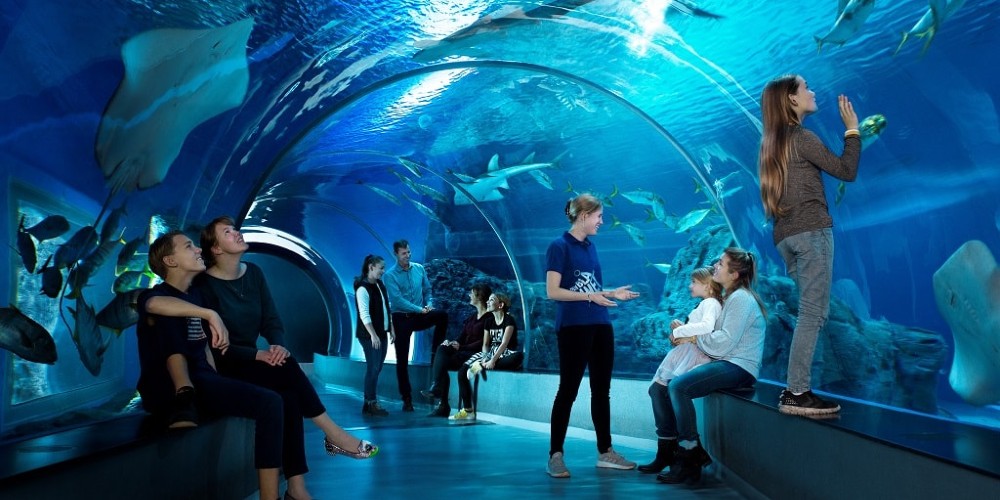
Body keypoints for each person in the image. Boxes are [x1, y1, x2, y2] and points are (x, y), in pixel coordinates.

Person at [152, 216, 378, 500]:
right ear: (216, 250)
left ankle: (296, 488)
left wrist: (278, 345)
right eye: (227, 232)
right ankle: (333, 434)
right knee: (284, 377)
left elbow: (272, 320)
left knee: (289, 392)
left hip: (253, 361)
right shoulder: (202, 289)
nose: (236, 233)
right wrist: (259, 353)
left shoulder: (255, 273)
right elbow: (212, 343)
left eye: (235, 228)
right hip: (229, 362)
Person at [137, 231, 284, 500]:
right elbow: (152, 304)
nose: (197, 250)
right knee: (165, 315)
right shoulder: (156, 294)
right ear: (170, 261)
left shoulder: (197, 296)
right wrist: (210, 314)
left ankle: (271, 495)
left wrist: (219, 377)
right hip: (165, 387)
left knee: (273, 399)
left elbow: (204, 344)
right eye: (189, 246)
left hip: (203, 380)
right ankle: (184, 394)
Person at [759, 74, 860, 415]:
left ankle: (798, 388)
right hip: (811, 232)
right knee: (812, 313)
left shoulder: (771, 144)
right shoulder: (801, 137)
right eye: (805, 88)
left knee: (814, 313)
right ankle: (796, 392)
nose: (812, 91)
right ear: (790, 99)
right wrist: (852, 129)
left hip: (786, 236)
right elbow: (846, 170)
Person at [545, 193, 641, 479]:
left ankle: (606, 451)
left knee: (602, 391)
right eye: (598, 216)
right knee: (568, 390)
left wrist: (612, 293)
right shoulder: (558, 246)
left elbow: (592, 287)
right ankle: (555, 455)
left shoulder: (591, 248)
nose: (602, 221)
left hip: (601, 324)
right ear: (583, 216)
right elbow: (553, 292)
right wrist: (592, 295)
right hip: (574, 326)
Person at [652, 248, 766, 485]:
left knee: (679, 387)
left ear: (734, 274)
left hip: (739, 366)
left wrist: (692, 338)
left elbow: (724, 341)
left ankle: (690, 454)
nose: (715, 265)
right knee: (664, 387)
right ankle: (676, 452)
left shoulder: (741, 299)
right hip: (724, 360)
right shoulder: (730, 298)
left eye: (721, 264)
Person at [638, 266, 723, 474]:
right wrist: (680, 329)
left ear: (708, 284)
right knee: (657, 391)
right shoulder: (705, 303)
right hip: (685, 354)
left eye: (694, 282)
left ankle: (682, 452)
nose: (689, 285)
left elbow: (705, 327)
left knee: (664, 391)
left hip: (693, 356)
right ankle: (669, 451)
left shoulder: (711, 302)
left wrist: (680, 330)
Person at [383, 239, 449, 412]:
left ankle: (436, 356)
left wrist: (429, 304)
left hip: (420, 314)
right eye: (404, 253)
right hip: (401, 318)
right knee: (402, 360)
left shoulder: (419, 268)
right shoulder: (390, 276)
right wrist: (420, 309)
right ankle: (407, 399)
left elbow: (428, 290)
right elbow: (397, 300)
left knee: (441, 316)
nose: (407, 256)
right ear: (396, 254)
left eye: (409, 252)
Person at [421, 283, 493, 418]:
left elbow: (484, 342)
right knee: (442, 348)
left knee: (443, 363)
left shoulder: (490, 318)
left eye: (472, 293)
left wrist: (462, 347)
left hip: (475, 354)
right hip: (463, 352)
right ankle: (438, 392)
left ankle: (442, 402)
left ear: (480, 296)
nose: (469, 295)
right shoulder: (473, 317)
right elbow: (462, 336)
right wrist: (454, 342)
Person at [452, 293, 524, 420]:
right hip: (490, 352)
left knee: (518, 357)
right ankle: (468, 410)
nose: (488, 302)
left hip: (505, 352)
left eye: (492, 300)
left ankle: (480, 366)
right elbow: (485, 344)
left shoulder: (508, 320)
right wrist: (485, 358)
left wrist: (492, 361)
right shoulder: (488, 321)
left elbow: (504, 343)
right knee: (462, 371)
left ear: (500, 305)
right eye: (488, 299)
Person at [354, 254, 393, 417]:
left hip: (382, 332)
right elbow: (364, 315)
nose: (383, 271)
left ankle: (369, 402)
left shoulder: (380, 285)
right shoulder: (362, 288)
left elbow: (386, 307)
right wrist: (373, 335)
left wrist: (391, 328)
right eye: (381, 268)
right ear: (371, 267)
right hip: (369, 335)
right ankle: (371, 402)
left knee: (377, 367)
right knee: (373, 367)